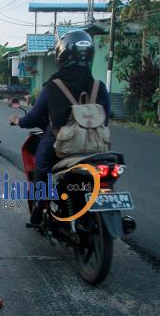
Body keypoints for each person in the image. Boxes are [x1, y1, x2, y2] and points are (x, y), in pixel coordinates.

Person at [9, 31, 110, 218]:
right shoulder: (99, 86)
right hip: (97, 147)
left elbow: (34, 117)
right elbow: (106, 118)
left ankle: (39, 207)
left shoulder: (53, 86)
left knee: (41, 167)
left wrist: (18, 120)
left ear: (61, 57)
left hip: (63, 145)